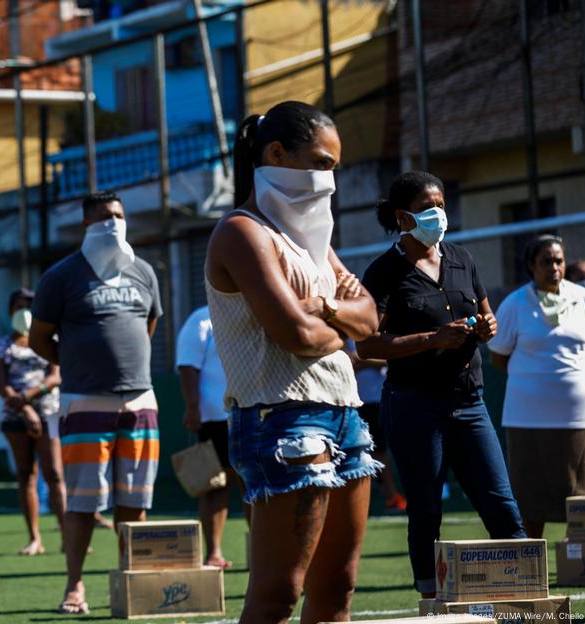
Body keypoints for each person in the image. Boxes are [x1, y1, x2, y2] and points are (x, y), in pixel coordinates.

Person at [204, 102, 381, 623]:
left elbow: (371, 321)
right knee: (280, 594)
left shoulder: (313, 241)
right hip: (280, 418)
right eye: (322, 163)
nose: (330, 179)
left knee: (338, 588)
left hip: (345, 413)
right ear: (276, 155)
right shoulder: (241, 231)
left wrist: (326, 308)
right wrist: (339, 327)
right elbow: (295, 335)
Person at [357, 170, 525, 598]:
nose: (438, 215)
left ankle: (527, 594)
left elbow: (488, 317)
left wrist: (487, 327)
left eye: (442, 205)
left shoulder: (461, 258)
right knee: (427, 509)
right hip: (415, 406)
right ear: (403, 217)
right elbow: (367, 345)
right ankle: (431, 599)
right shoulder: (382, 272)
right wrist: (432, 339)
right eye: (427, 208)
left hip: (470, 402)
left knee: (501, 504)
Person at [29, 190, 163, 615]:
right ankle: (75, 586)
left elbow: (150, 324)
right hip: (85, 401)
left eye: (119, 215)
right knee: (85, 501)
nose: (113, 223)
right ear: (86, 225)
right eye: (104, 217)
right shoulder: (61, 276)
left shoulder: (143, 272)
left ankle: (131, 583)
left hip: (140, 399)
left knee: (134, 499)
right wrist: (73, 364)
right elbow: (38, 338)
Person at [489, 235, 585, 538]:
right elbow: (498, 357)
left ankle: (579, 565)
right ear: (531, 266)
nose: (554, 268)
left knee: (581, 495)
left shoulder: (582, 297)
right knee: (531, 496)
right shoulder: (515, 304)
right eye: (546, 262)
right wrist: (536, 380)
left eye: (558, 261)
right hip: (528, 418)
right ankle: (531, 564)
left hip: (578, 417)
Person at [0, 287, 65, 556]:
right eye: (19, 306)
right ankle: (35, 538)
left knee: (55, 474)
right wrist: (25, 409)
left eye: (29, 306)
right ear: (11, 311)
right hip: (15, 417)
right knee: (26, 474)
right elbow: (1, 385)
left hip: (47, 412)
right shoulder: (2, 344)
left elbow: (55, 376)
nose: (24, 312)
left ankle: (66, 533)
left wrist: (28, 398)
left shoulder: (48, 339)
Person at [175, 305, 243, 569]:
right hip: (215, 415)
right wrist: (192, 408)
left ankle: (261, 554)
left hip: (251, 411)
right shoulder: (201, 318)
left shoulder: (252, 308)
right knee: (215, 485)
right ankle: (213, 552)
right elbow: (187, 366)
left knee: (254, 487)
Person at [344, 339, 406, 512]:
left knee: (380, 450)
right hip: (354, 401)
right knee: (358, 451)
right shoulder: (344, 335)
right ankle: (380, 494)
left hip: (380, 399)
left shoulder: (377, 332)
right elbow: (345, 363)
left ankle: (392, 494)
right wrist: (366, 361)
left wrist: (364, 361)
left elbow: (390, 360)